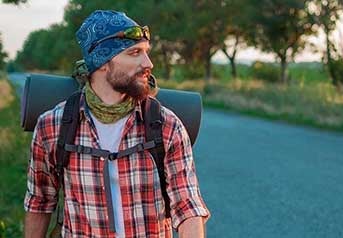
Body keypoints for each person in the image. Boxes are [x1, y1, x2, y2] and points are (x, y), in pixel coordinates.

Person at [24, 10, 210, 238]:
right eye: (135, 53)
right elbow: (40, 202)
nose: (148, 63)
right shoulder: (52, 126)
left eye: (146, 52)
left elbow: (187, 206)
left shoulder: (166, 125)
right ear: (102, 62)